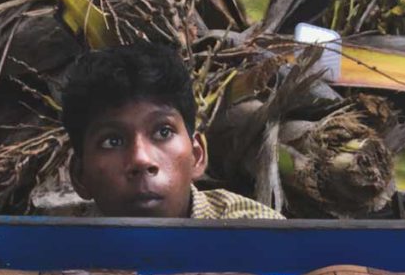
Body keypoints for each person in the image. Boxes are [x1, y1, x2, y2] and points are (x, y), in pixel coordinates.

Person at [61, 42, 283, 220]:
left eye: (163, 132)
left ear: (197, 156)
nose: (141, 159)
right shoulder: (55, 259)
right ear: (80, 176)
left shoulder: (255, 239)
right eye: (112, 141)